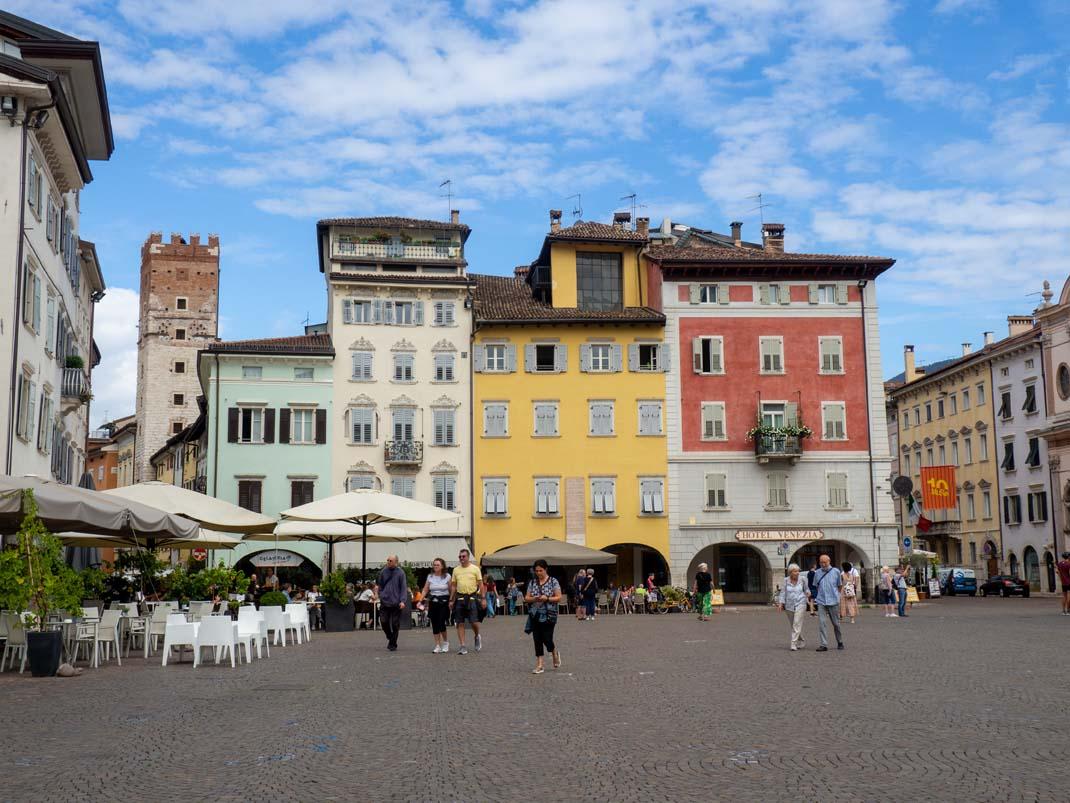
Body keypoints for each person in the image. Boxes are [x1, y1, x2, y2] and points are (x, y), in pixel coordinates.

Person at [524, 559, 562, 674]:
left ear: (546, 569)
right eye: (536, 571)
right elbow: (527, 597)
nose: (538, 573)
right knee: (537, 639)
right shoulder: (532, 582)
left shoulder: (553, 581)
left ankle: (554, 652)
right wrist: (535, 598)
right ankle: (540, 664)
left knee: (547, 638)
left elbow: (559, 597)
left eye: (541, 570)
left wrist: (548, 598)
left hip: (549, 614)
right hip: (535, 614)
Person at [451, 548, 484, 655]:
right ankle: (463, 646)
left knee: (474, 621)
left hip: (472, 598)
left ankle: (477, 635)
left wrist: (483, 598)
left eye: (463, 556)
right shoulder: (456, 570)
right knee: (459, 623)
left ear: (468, 557)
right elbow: (453, 586)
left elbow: (481, 584)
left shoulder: (475, 569)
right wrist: (451, 600)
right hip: (460, 598)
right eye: (460, 557)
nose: (461, 558)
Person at [811, 554, 844, 652]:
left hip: (833, 601)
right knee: (822, 623)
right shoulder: (817, 573)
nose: (823, 564)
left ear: (829, 561)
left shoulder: (836, 571)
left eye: (825, 562)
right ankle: (823, 644)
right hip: (821, 601)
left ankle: (840, 641)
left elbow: (839, 585)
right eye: (821, 562)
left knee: (836, 624)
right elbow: (816, 586)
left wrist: (836, 595)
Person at [419, 557, 451, 653]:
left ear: (442, 566)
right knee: (435, 624)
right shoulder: (430, 576)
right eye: (434, 565)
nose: (435, 566)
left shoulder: (447, 576)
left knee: (441, 622)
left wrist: (452, 600)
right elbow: (425, 589)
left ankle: (445, 642)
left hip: (444, 602)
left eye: (438, 565)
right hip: (433, 602)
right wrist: (420, 600)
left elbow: (451, 589)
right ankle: (437, 645)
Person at [776, 563, 811, 651]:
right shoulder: (785, 580)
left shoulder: (803, 579)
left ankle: (793, 643)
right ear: (790, 572)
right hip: (789, 605)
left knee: (796, 623)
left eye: (798, 571)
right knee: (794, 625)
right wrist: (781, 603)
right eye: (795, 571)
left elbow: (807, 589)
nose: (797, 573)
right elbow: (783, 592)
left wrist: (808, 593)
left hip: (801, 603)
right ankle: (802, 640)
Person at [376, 555, 407, 652]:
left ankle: (392, 644)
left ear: (396, 562)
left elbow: (403, 587)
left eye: (390, 560)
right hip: (385, 601)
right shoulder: (383, 572)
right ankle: (390, 636)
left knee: (395, 624)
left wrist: (402, 600)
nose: (388, 562)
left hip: (396, 602)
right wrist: (381, 595)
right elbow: (380, 585)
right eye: (387, 560)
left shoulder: (400, 573)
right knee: (383, 621)